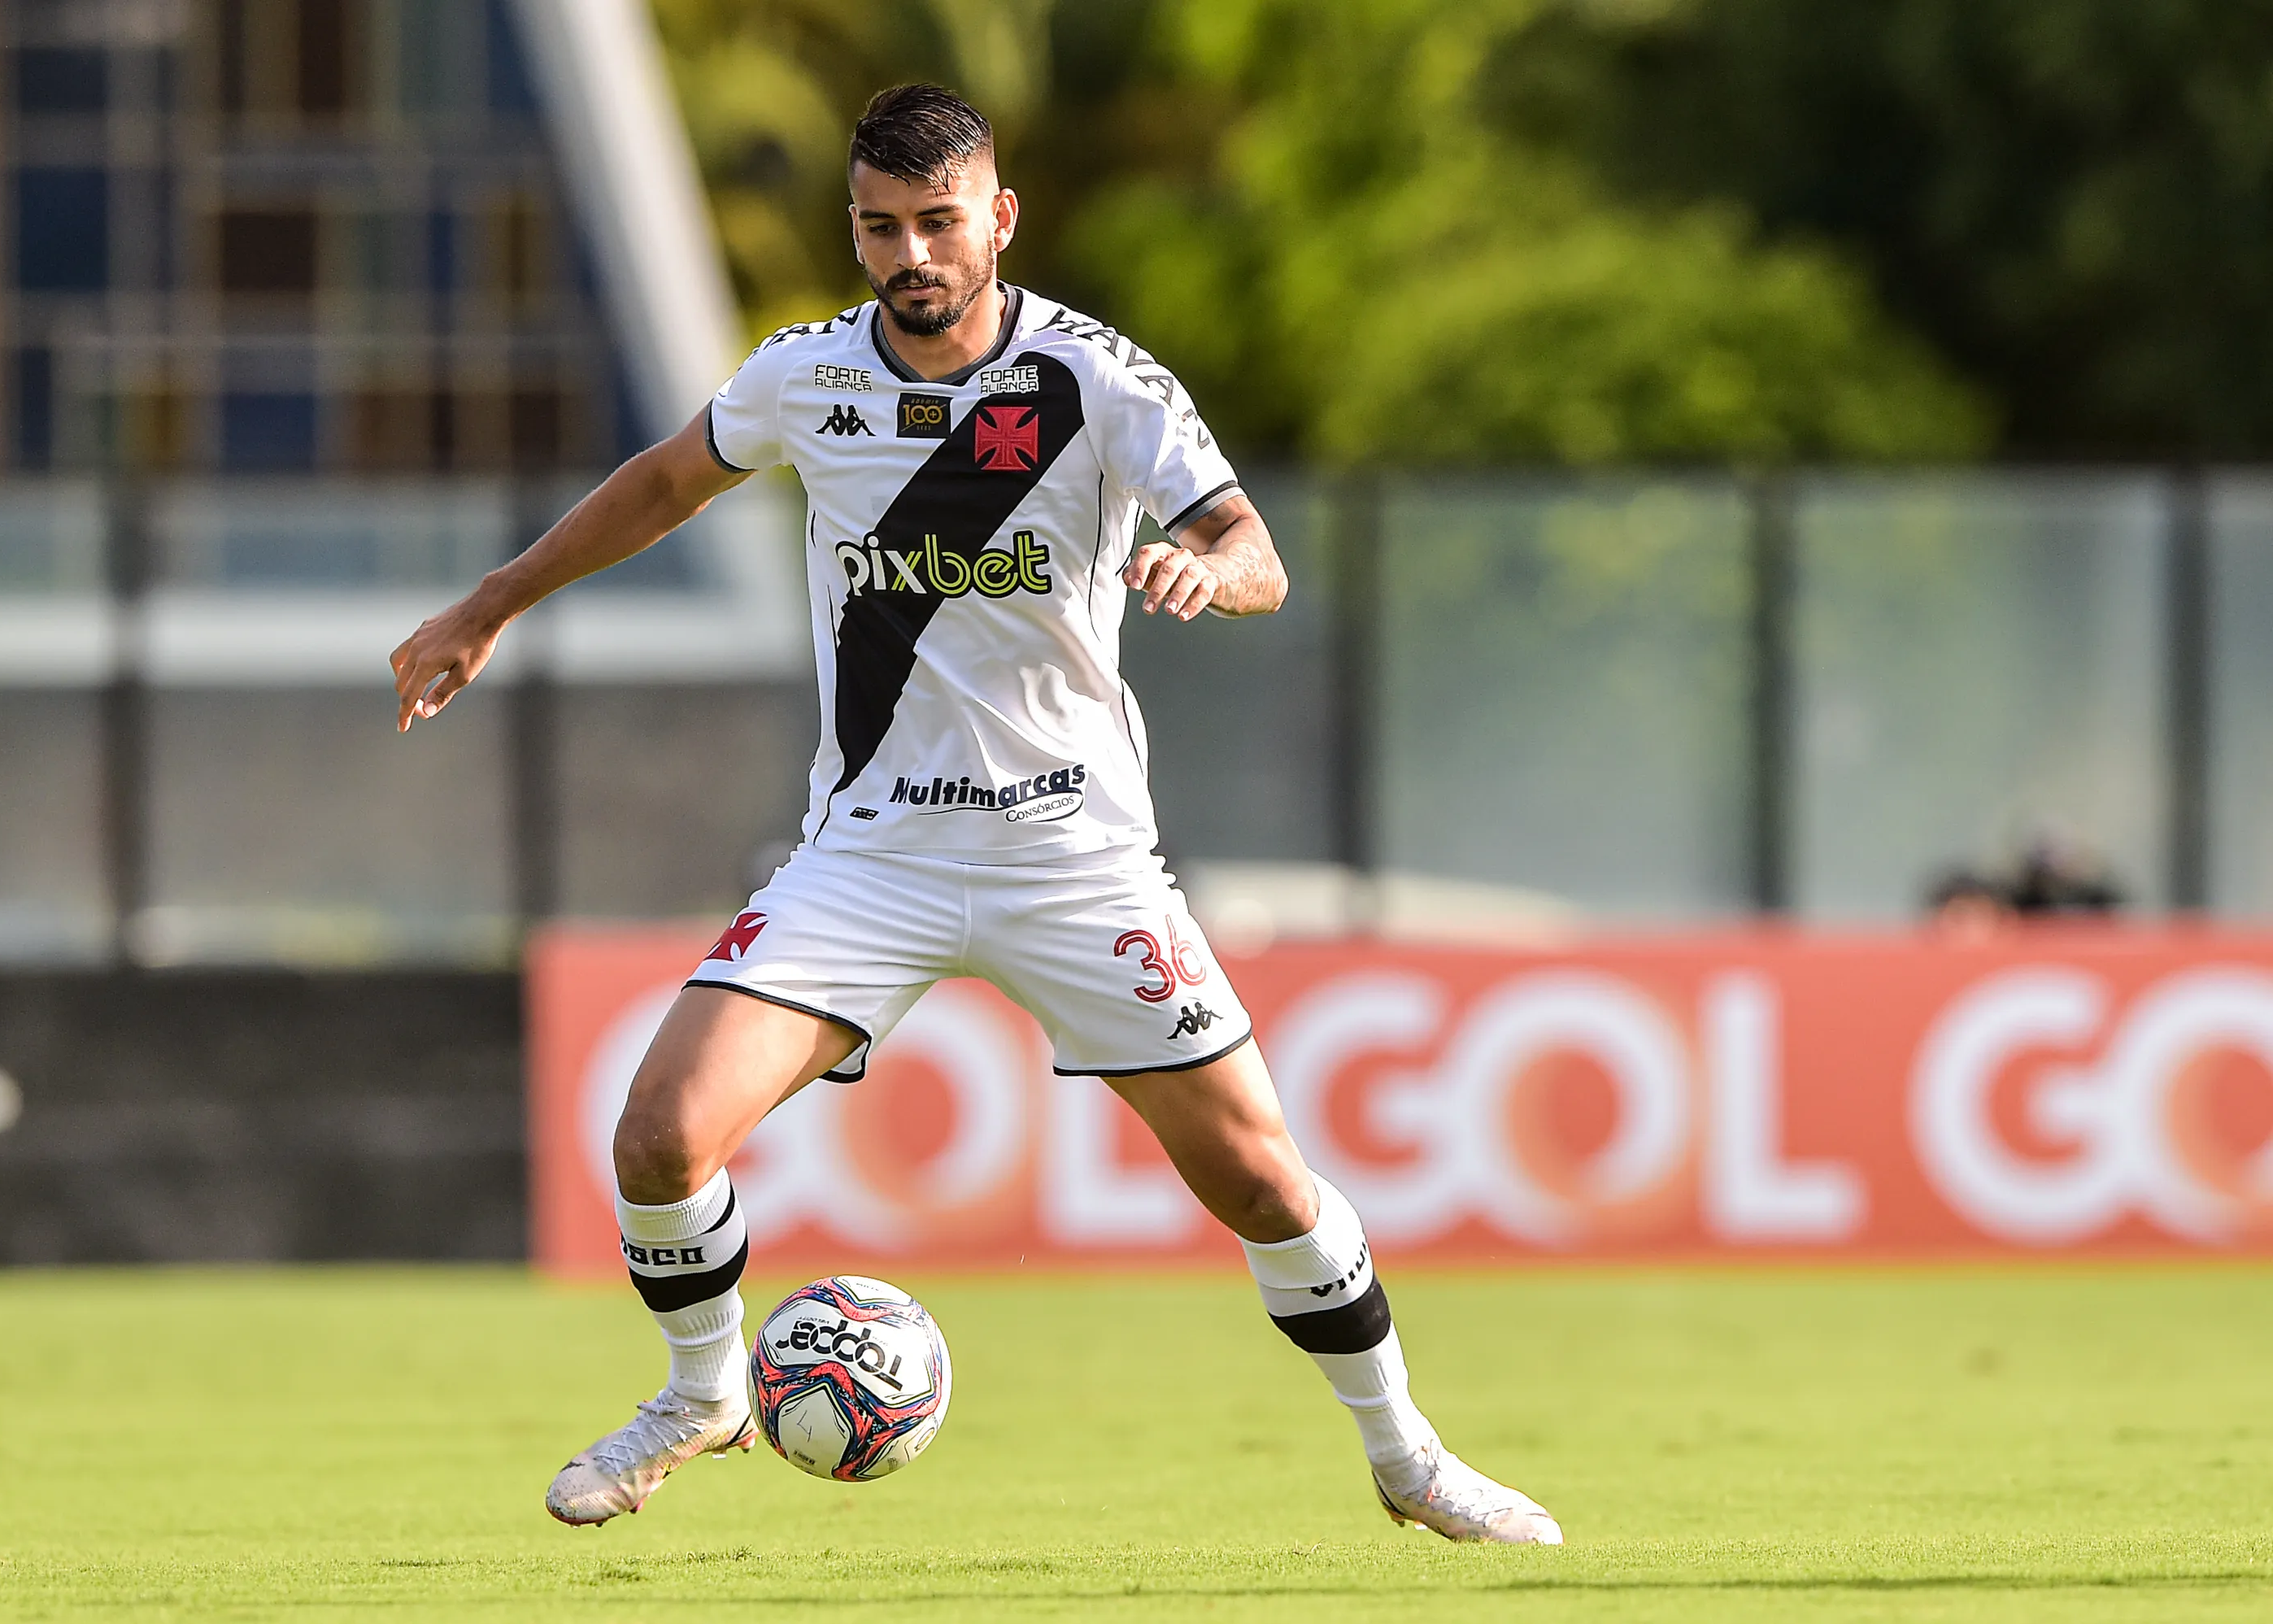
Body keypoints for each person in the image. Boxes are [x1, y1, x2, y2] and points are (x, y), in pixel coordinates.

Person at [391, 84, 1560, 1547]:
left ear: (998, 218)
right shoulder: (804, 376)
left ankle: (1409, 1460)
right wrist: (489, 603)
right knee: (658, 1138)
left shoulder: (1096, 381)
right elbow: (667, 481)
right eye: (880, 227)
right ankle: (702, 1395)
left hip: (1074, 857)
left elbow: (1248, 545)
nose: (910, 254)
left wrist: (1213, 574)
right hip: (870, 855)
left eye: (938, 223)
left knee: (1263, 1179)